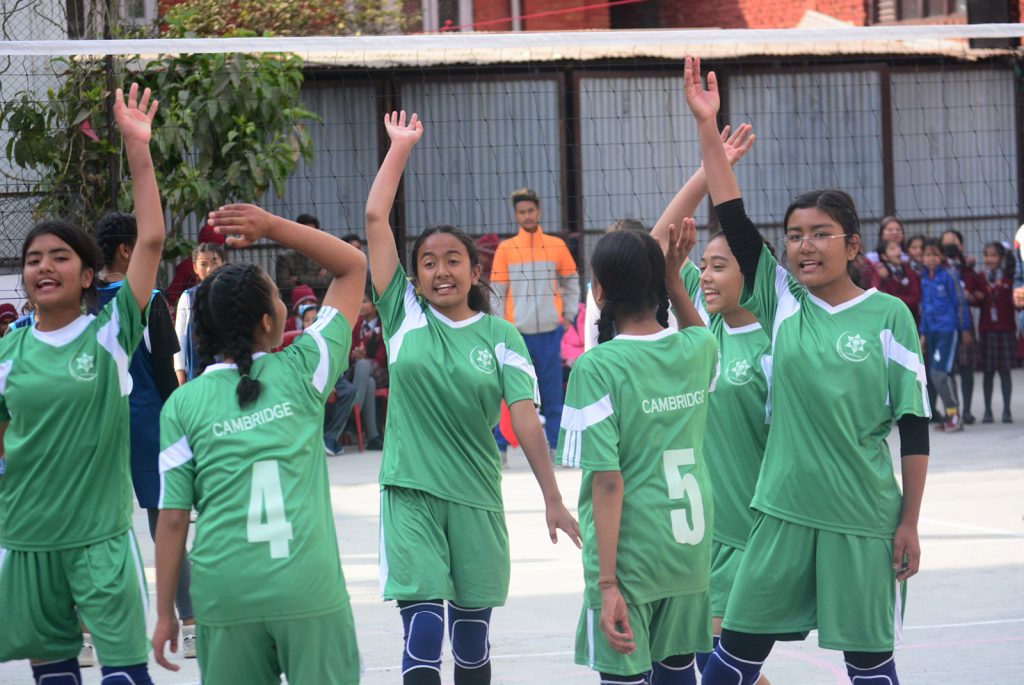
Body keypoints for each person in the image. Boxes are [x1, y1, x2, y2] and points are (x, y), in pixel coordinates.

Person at [685, 57, 930, 685]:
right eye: (795, 235)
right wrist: (708, 127)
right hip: (782, 513)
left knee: (870, 667)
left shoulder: (889, 316)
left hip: (862, 517)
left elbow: (914, 426)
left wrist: (909, 522)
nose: (804, 246)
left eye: (821, 234)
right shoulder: (782, 301)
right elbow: (733, 213)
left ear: (853, 244)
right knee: (730, 662)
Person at [365, 110, 580, 685]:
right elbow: (376, 218)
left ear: (475, 269)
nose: (441, 271)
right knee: (423, 630)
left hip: (477, 498)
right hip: (411, 493)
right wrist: (400, 148)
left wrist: (553, 497)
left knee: (470, 642)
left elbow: (526, 419)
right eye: (428, 263)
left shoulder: (501, 335)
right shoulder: (403, 316)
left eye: (452, 260)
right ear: (414, 277)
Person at [152, 204, 367, 684]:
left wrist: (166, 612)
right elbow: (352, 266)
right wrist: (270, 226)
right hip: (307, 589)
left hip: (225, 596)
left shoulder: (183, 405)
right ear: (270, 323)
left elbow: (172, 520)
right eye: (277, 294)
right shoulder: (303, 370)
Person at [0, 83, 164, 685]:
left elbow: (151, 239)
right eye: (34, 259)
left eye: (60, 256)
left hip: (99, 539)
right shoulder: (8, 353)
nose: (44, 266)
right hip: (27, 538)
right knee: (54, 677)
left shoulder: (111, 333)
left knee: (124, 675)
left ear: (89, 273)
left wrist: (137, 148)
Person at [557, 221, 714, 685]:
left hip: (631, 558)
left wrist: (607, 584)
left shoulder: (596, 367)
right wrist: (674, 280)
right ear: (659, 284)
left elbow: (608, 481)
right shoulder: (699, 348)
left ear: (599, 290)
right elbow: (698, 333)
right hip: (689, 554)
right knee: (678, 673)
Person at [645, 128, 771, 684]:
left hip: (750, 527)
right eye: (705, 266)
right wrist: (708, 168)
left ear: (751, 272)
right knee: (708, 660)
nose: (708, 276)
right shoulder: (702, 315)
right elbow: (655, 247)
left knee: (716, 662)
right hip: (697, 524)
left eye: (720, 266)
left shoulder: (777, 339)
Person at [95, 212, 198, 661]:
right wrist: (182, 427)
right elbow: (165, 375)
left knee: (97, 530)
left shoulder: (83, 299)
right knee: (166, 526)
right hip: (148, 424)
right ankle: (190, 624)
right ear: (127, 250)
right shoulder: (148, 300)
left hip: (99, 425)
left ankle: (89, 634)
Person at [490, 187, 581, 453]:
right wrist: (501, 327)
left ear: (538, 211)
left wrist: (568, 315)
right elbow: (497, 292)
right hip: (516, 335)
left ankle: (557, 448)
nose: (527, 215)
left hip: (550, 333)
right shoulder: (506, 249)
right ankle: (500, 449)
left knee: (553, 394)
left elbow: (572, 281)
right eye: (522, 212)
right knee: (510, 395)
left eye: (530, 210)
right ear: (516, 215)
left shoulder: (556, 246)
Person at [920, 239, 972, 432]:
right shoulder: (924, 278)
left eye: (935, 254)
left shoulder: (950, 275)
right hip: (931, 332)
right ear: (922, 258)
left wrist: (964, 328)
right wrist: (923, 334)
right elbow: (925, 307)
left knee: (939, 374)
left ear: (942, 256)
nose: (931, 258)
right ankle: (953, 416)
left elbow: (960, 302)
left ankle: (954, 416)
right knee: (944, 374)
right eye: (927, 255)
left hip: (948, 331)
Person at [941, 229, 983, 424]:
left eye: (953, 242)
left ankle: (966, 410)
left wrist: (970, 296)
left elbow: (978, 295)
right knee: (947, 369)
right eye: (946, 243)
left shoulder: (967, 269)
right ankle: (953, 410)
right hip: (945, 325)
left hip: (964, 322)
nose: (950, 246)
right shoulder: (939, 268)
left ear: (961, 246)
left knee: (966, 368)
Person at [174, 241, 226, 384]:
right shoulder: (188, 297)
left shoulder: (233, 293)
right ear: (195, 267)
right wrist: (180, 372)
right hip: (197, 371)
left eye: (214, 263)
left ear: (223, 264)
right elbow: (180, 338)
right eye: (203, 264)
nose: (209, 269)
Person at [978, 241, 1016, 423]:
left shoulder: (1009, 279)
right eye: (987, 255)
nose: (989, 259)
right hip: (987, 331)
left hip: (1005, 331)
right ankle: (987, 411)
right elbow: (975, 299)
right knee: (988, 372)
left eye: (994, 255)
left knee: (1005, 372)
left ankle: (1007, 411)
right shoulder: (981, 278)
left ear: (1001, 258)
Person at [275, 213, 333, 303]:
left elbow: (326, 282)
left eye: (312, 232)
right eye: (305, 231)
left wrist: (299, 279)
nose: (308, 236)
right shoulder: (285, 257)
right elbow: (284, 286)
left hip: (320, 306)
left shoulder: (325, 256)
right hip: (293, 307)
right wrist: (315, 280)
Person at [874, 239, 921, 323]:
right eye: (892, 249)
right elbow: (879, 297)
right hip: (889, 320)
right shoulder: (880, 273)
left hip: (911, 318)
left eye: (898, 247)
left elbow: (915, 297)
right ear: (884, 256)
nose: (898, 250)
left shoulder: (909, 270)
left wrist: (893, 299)